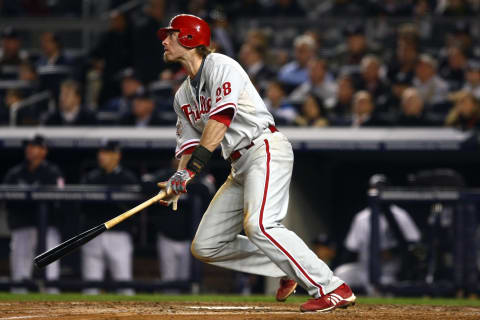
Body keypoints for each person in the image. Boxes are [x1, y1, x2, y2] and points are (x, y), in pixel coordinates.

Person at [157, 14, 355, 312]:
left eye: (170, 35)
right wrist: (177, 179)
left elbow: (220, 121)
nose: (164, 40)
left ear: (188, 38)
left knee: (260, 225)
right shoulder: (182, 94)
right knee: (206, 245)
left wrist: (190, 171)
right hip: (238, 165)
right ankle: (285, 268)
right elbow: (188, 145)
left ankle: (333, 287)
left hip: (263, 147)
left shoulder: (221, 66)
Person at [334, 174, 421, 295]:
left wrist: (393, 251)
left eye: (381, 188)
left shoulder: (400, 215)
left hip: (387, 271)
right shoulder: (361, 217)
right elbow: (351, 248)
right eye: (374, 188)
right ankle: (334, 308)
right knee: (340, 273)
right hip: (363, 268)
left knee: (379, 290)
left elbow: (414, 243)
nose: (378, 191)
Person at [3, 135, 64, 293]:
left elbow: (60, 200)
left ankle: (54, 311)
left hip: (47, 228)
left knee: (51, 274)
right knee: (19, 274)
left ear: (44, 150)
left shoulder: (53, 172)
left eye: (35, 146)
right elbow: (7, 201)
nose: (30, 149)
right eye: (28, 146)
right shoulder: (15, 173)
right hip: (22, 226)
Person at [142, 158, 214, 290]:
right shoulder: (164, 175)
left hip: (189, 240)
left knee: (188, 283)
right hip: (167, 237)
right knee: (168, 283)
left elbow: (207, 189)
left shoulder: (199, 177)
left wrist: (178, 187)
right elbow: (146, 184)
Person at [80, 140, 138, 295]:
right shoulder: (91, 178)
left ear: (117, 155)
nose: (101, 156)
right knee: (90, 285)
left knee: (123, 283)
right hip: (93, 234)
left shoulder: (128, 178)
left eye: (106, 153)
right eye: (101, 152)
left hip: (119, 235)